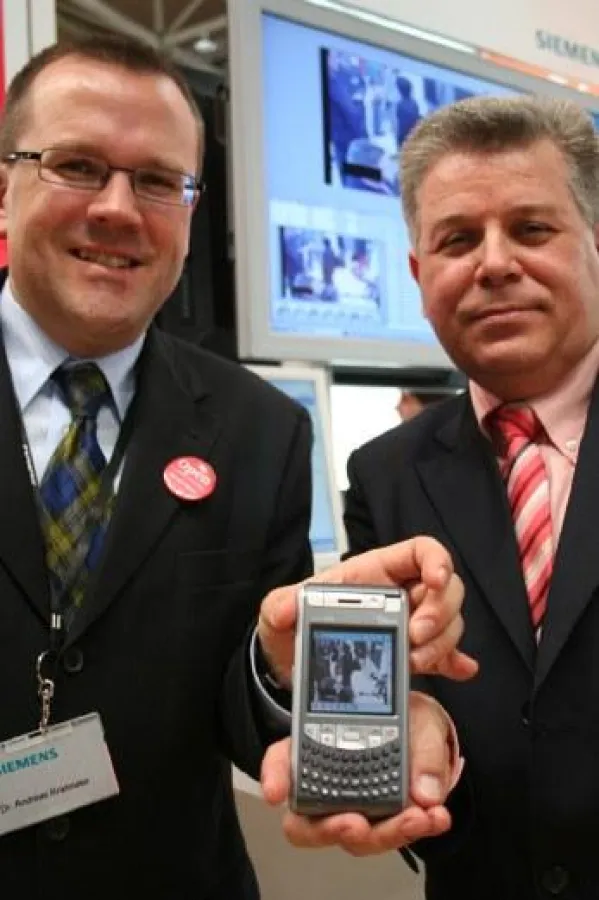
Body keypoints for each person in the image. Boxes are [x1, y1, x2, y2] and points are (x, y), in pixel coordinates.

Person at [0, 34, 474, 900]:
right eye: (75, 165)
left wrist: (276, 661)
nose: (117, 209)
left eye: (156, 181)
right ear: (5, 186)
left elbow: (237, 700)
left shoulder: (259, 431)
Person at [342, 94, 599, 898]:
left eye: (531, 229)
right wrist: (400, 745)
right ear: (421, 277)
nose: (493, 263)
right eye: (457, 239)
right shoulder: (384, 475)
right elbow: (379, 702)